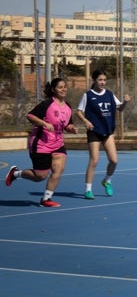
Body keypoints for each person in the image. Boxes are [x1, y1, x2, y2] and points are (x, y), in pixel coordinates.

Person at [5, 78, 78, 207]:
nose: (64, 89)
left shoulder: (67, 107)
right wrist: (44, 123)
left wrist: (71, 128)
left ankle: (46, 199)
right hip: (40, 144)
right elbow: (30, 116)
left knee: (58, 169)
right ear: (54, 90)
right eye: (60, 87)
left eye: (65, 87)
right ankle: (16, 173)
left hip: (58, 144)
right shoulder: (47, 104)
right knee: (40, 176)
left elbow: (67, 125)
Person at [76, 69, 130, 199]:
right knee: (94, 160)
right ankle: (88, 189)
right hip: (94, 131)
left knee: (114, 160)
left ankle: (107, 181)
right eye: (100, 80)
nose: (102, 82)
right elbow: (78, 111)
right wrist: (85, 121)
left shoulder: (110, 94)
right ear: (94, 80)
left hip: (107, 131)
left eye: (104, 80)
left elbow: (120, 109)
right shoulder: (88, 95)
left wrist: (126, 102)